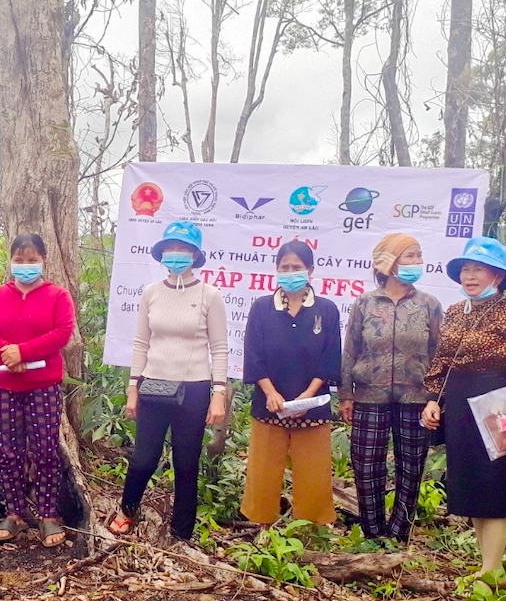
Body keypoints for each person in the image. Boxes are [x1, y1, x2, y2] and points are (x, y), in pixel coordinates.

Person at [422, 237, 506, 577]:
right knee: (472, 487)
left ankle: (491, 571)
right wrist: (434, 400)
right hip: (461, 406)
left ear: (497, 275)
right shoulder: (454, 312)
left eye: (479, 269)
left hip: (500, 406)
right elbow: (443, 361)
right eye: (466, 268)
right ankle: (488, 567)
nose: (470, 276)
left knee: (494, 488)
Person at [112, 221, 228, 541]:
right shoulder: (151, 293)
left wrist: (218, 393)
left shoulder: (209, 295)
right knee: (143, 458)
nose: (176, 255)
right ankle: (127, 510)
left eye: (183, 249)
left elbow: (219, 348)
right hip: (153, 385)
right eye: (170, 249)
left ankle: (181, 532)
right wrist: (132, 389)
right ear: (162, 253)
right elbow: (141, 343)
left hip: (194, 389)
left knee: (186, 462)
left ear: (195, 254)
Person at [340, 234, 444, 542]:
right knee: (367, 466)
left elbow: (439, 354)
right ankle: (373, 535)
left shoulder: (429, 305)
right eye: (409, 256)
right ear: (389, 263)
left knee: (410, 468)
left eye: (418, 255)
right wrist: (346, 394)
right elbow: (350, 349)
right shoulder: (365, 303)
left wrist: (434, 397)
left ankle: (398, 536)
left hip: (416, 398)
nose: (416, 262)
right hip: (369, 396)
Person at [0, 234, 76, 547]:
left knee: (46, 450)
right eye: (19, 260)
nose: (25, 266)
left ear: (43, 260)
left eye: (31, 259)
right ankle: (14, 513)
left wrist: (24, 352)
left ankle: (48, 515)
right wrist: (7, 351)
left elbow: (62, 332)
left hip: (43, 385)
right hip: (4, 385)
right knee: (8, 451)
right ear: (11, 261)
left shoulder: (57, 296)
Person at [241, 241, 342, 526]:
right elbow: (254, 354)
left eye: (296, 267)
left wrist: (306, 397)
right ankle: (259, 528)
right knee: (262, 472)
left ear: (310, 270)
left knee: (313, 473)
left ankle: (310, 530)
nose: (290, 272)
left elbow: (329, 359)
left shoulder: (327, 309)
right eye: (284, 267)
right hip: (268, 405)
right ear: (276, 271)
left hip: (312, 407)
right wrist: (270, 393)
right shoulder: (262, 308)